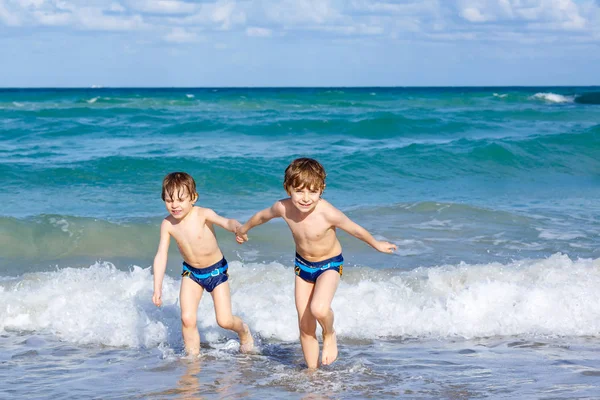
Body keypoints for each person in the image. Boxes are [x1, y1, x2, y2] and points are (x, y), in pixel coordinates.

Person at [236, 158, 396, 368]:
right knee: (305, 325)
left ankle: (329, 333)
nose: (305, 198)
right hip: (303, 267)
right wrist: (244, 229)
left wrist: (376, 244)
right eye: (299, 191)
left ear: (322, 190)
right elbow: (262, 216)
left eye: (312, 191)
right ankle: (313, 374)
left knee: (319, 309)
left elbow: (354, 228)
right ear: (288, 188)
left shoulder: (327, 212)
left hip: (329, 264)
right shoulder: (282, 208)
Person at [152, 172, 253, 356]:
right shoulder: (167, 224)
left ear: (193, 198)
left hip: (216, 271)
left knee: (224, 320)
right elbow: (161, 255)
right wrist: (157, 287)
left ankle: (243, 330)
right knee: (187, 319)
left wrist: (238, 229)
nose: (174, 205)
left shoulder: (203, 214)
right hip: (191, 273)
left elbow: (226, 222)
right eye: (169, 200)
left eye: (180, 199)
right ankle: (192, 360)